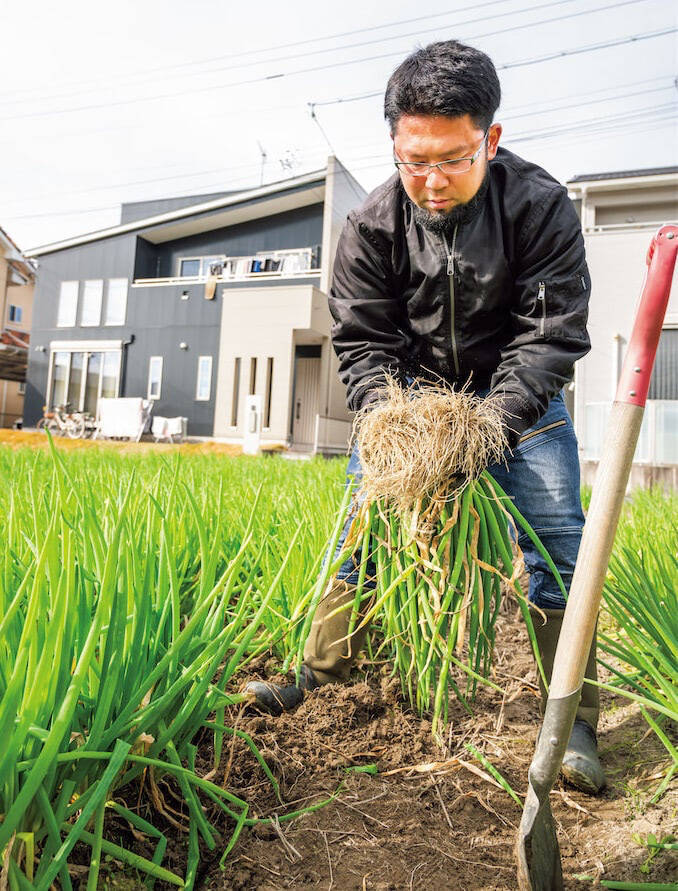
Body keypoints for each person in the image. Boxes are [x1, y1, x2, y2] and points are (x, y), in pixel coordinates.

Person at [247, 40, 604, 794]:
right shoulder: (373, 226)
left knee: (559, 549)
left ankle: (569, 718)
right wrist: (396, 426)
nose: (432, 181)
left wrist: (487, 427)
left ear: (490, 140)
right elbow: (364, 342)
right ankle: (321, 674)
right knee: (360, 533)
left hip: (519, 405)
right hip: (411, 409)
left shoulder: (538, 208)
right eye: (414, 161)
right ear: (394, 145)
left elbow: (549, 336)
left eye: (452, 159)